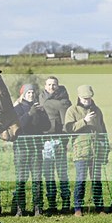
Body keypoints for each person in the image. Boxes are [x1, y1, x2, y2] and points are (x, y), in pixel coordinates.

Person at [64, 85, 109, 216]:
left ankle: (99, 207)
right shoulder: (72, 110)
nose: (87, 101)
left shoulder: (97, 110)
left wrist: (105, 148)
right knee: (81, 180)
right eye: (84, 98)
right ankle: (78, 208)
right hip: (81, 152)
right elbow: (68, 128)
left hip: (96, 152)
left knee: (96, 181)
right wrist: (84, 121)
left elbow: (103, 130)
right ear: (78, 97)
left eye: (89, 98)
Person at [12, 84, 51, 216]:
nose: (31, 95)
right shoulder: (16, 109)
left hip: (36, 148)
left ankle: (38, 208)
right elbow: (19, 126)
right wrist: (29, 114)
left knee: (37, 179)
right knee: (21, 180)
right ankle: (20, 209)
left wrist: (42, 113)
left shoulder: (39, 108)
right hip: (21, 148)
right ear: (23, 94)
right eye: (28, 93)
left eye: (33, 93)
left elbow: (47, 126)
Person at [39, 76, 72, 213]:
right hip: (44, 142)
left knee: (62, 173)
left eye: (54, 84)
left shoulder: (64, 101)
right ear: (45, 86)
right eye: (49, 84)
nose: (51, 87)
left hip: (58, 141)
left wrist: (64, 141)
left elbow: (66, 123)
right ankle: (52, 204)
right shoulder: (40, 98)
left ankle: (65, 204)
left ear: (58, 86)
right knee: (48, 174)